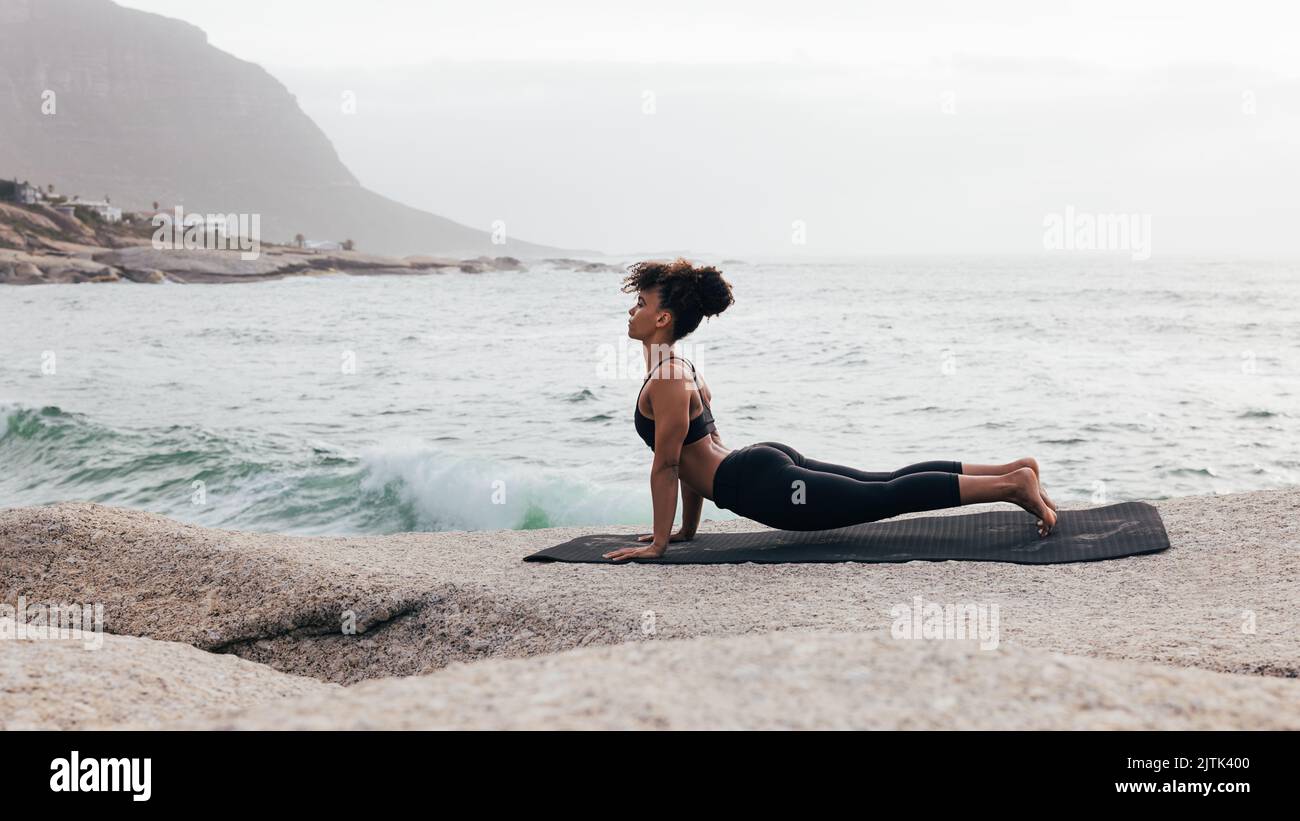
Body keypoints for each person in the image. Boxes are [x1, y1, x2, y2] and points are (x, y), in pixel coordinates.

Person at [604, 258, 1058, 562]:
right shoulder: (680, 369)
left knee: (885, 494)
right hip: (756, 465)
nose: (632, 310)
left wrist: (660, 544)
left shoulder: (665, 378)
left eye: (641, 303)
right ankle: (1012, 468)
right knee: (883, 481)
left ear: (663, 319)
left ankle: (1011, 485)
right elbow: (691, 455)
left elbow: (667, 465)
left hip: (760, 485)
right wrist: (685, 530)